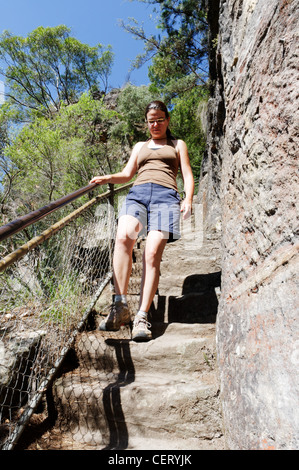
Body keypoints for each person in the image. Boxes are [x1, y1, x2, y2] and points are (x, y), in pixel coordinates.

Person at [89, 100, 194, 341]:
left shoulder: (178, 144)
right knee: (123, 237)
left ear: (167, 120)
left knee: (151, 252)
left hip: (166, 196)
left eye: (159, 119)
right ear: (146, 123)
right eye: (151, 121)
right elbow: (127, 174)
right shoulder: (140, 146)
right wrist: (107, 178)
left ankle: (142, 316)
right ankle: (120, 304)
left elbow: (187, 174)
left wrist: (188, 199)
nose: (155, 124)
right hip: (137, 194)